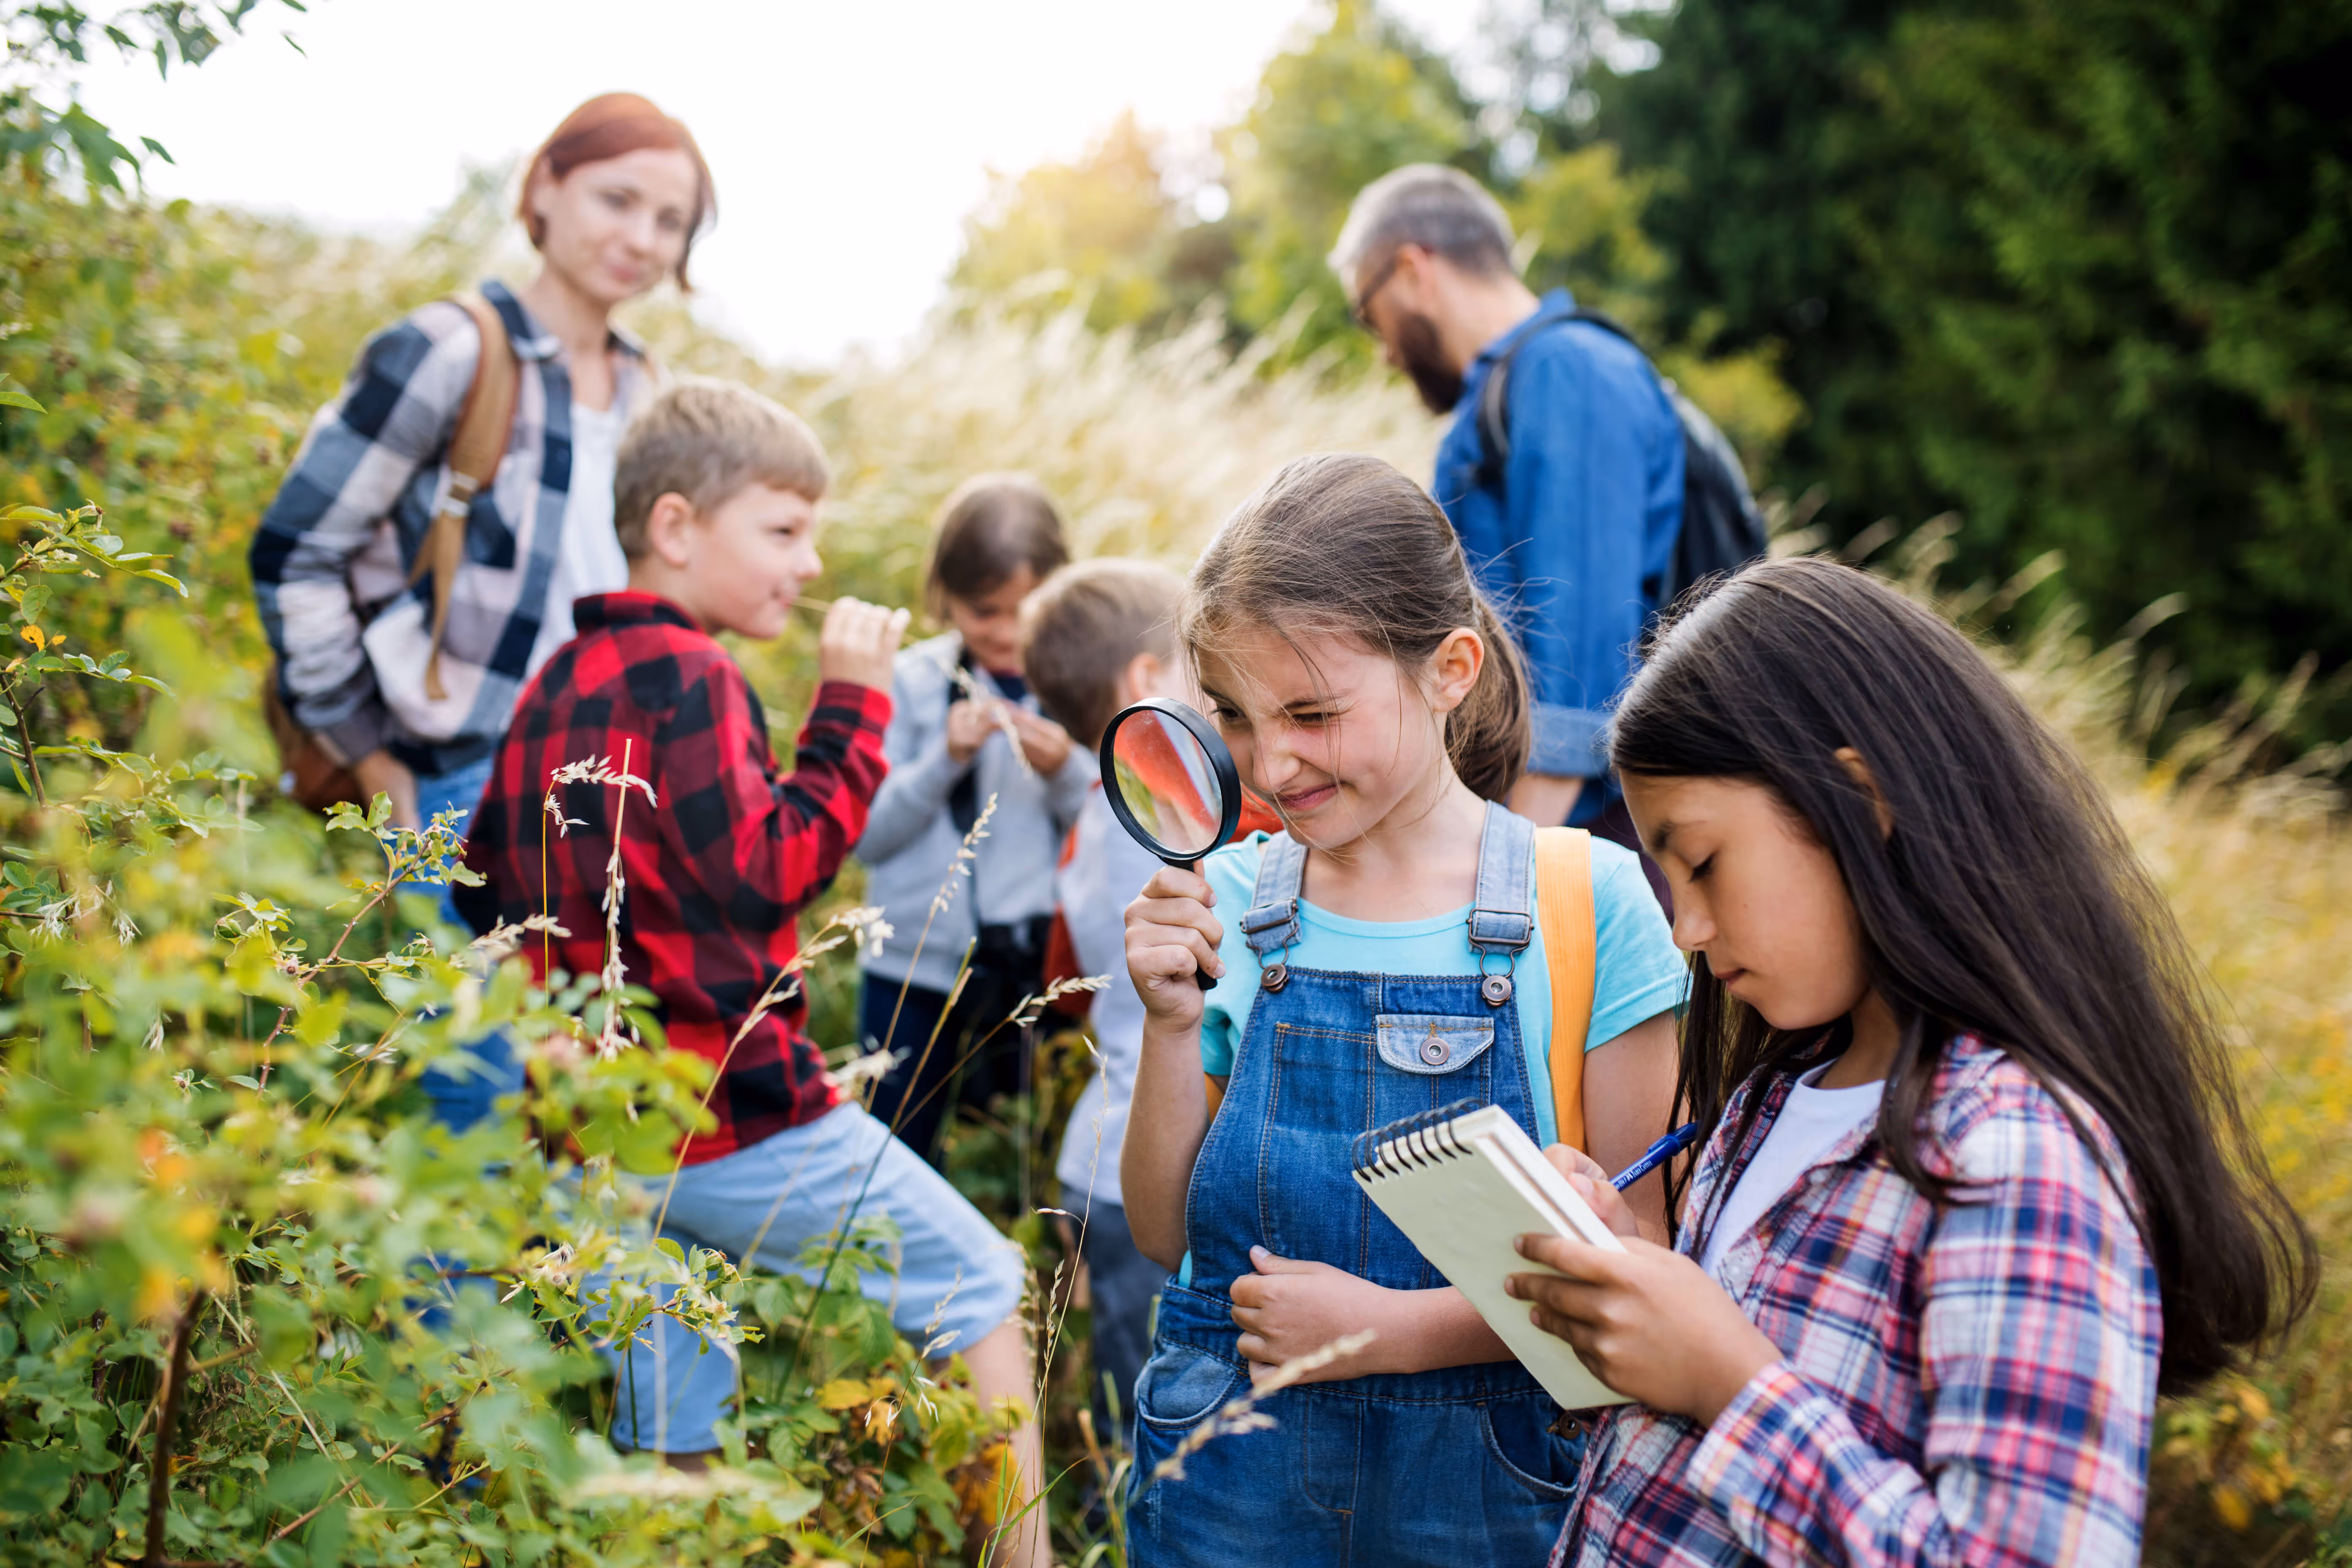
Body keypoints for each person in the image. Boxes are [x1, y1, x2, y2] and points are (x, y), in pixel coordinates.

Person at [1502, 558, 2315, 1565]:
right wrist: (1630, 1287)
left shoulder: (2015, 1152)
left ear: (1863, 795)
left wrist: (1730, 1382)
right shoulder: (1768, 1101)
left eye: (1704, 861)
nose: (1691, 930)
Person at [455, 381, 1050, 1567]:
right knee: (984, 1285)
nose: (809, 560)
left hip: (599, 1133)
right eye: (782, 532)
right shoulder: (695, 676)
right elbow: (771, 873)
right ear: (676, 528)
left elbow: (476, 886)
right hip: (732, 1116)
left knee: (674, 1412)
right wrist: (851, 709)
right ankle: (1026, 1559)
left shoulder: (558, 681)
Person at [1116, 455, 1688, 1566]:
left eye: (1316, 712)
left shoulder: (1589, 901)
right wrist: (1170, 1025)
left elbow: (1645, 1257)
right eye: (1235, 716)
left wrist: (1386, 1335)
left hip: (1488, 1494)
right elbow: (1162, 1233)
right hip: (1229, 1480)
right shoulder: (1229, 900)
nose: (1273, 764)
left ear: (1450, 670)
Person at [253, 91, 713, 838]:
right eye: (617, 200)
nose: (641, 238)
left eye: (670, 222)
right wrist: (368, 754)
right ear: (545, 187)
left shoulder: (651, 390)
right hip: (463, 777)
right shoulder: (451, 349)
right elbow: (295, 557)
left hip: (600, 777)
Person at [1328, 163, 1684, 859]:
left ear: (1413, 269)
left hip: (1588, 839)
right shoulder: (1510, 387)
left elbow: (1579, 658)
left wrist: (1506, 876)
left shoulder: (1566, 370)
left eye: (1371, 315)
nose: (1384, 353)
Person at [856, 475, 1095, 1167]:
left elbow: (1118, 828)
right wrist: (942, 761)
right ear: (946, 599)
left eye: (1028, 609)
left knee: (1035, 1158)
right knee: (892, 1151)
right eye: (984, 612)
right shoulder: (910, 682)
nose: (1008, 634)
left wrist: (1066, 773)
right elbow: (868, 837)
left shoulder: (1082, 686)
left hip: (1040, 967)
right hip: (911, 969)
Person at [1017, 558, 1198, 1440]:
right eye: (1200, 669)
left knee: (1128, 1384)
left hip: (1102, 1147)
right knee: (1152, 1417)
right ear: (1145, 684)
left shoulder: (1095, 812)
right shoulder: (1167, 819)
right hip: (1139, 1167)